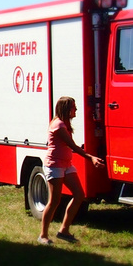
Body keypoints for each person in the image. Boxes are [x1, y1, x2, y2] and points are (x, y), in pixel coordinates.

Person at [39, 96, 104, 245]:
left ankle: (64, 230)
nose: (76, 110)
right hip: (54, 165)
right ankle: (43, 235)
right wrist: (91, 158)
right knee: (55, 201)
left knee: (79, 195)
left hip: (66, 164)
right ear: (66, 109)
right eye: (74, 107)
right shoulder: (59, 125)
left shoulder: (65, 124)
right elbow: (73, 146)